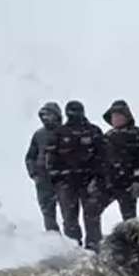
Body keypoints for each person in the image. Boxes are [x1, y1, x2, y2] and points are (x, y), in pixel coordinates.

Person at [47, 100, 106, 248]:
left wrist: (98, 178)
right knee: (69, 218)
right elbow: (51, 158)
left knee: (92, 216)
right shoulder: (59, 133)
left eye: (76, 110)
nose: (74, 114)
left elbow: (103, 156)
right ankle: (74, 249)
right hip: (67, 183)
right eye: (71, 111)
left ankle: (94, 248)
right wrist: (57, 180)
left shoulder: (93, 131)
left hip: (89, 181)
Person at [98, 99, 139, 224]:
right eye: (113, 116)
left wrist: (138, 181)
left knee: (129, 219)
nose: (115, 119)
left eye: (118, 115)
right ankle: (94, 242)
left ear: (127, 116)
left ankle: (132, 242)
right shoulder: (107, 136)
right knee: (92, 210)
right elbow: (100, 161)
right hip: (108, 184)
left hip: (128, 184)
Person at [24, 102, 63, 232]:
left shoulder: (65, 132)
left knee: (68, 214)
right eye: (44, 115)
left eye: (49, 114)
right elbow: (30, 157)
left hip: (63, 179)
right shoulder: (39, 135)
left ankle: (73, 243)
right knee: (48, 212)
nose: (46, 118)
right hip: (43, 179)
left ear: (57, 116)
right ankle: (54, 242)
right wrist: (34, 173)